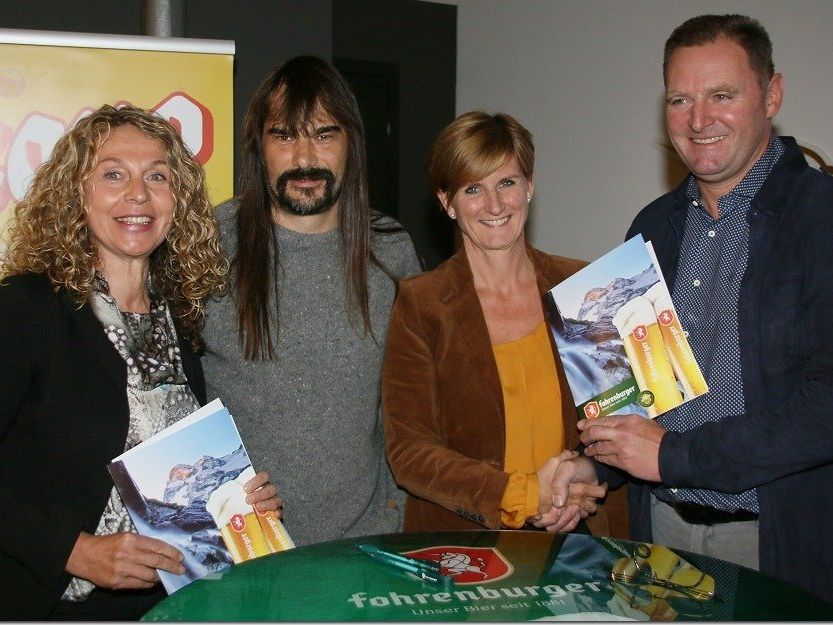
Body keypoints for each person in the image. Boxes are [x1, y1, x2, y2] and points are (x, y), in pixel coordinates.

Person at [551, 14, 833, 603]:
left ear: (772, 94)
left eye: (721, 96)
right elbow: (634, 398)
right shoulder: (651, 228)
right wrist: (593, 467)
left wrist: (676, 455)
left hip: (779, 544)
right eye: (680, 99)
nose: (699, 120)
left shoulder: (821, 219)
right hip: (661, 536)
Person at [0, 105, 282, 620]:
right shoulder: (27, 309)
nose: (138, 194)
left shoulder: (179, 319)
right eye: (113, 175)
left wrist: (236, 506)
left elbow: (172, 478)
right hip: (50, 607)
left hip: (170, 604)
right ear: (75, 195)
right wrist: (73, 549)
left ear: (178, 201)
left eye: (158, 176)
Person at [200, 56, 422, 547]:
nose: (305, 158)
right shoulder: (209, 244)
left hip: (369, 546)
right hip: (239, 546)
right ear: (259, 147)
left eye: (324, 134)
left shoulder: (390, 249)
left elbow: (417, 399)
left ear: (351, 146)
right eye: (284, 135)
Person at [382, 111, 626, 535]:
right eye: (473, 188)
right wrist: (526, 498)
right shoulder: (421, 306)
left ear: (529, 187)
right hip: (468, 547)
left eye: (507, 183)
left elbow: (628, 416)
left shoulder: (583, 287)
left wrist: (582, 477)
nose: (494, 205)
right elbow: (411, 453)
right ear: (447, 202)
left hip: (584, 532)